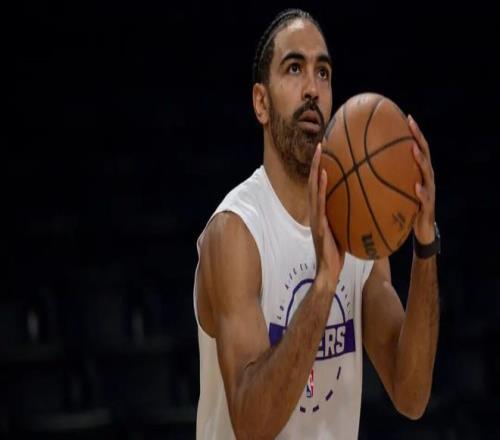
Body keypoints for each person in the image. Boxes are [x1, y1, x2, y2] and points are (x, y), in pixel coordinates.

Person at [193, 8, 440, 439]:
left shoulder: (358, 225)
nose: (312, 88)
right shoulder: (236, 231)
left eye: (322, 73)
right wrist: (324, 283)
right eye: (294, 69)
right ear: (261, 103)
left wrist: (424, 245)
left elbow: (411, 394)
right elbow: (251, 424)